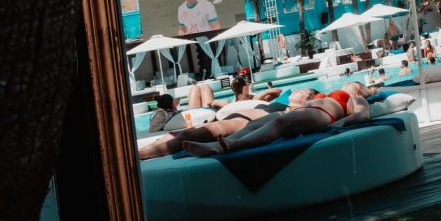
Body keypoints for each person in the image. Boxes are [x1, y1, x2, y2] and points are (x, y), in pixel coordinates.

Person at [183, 81, 371, 156]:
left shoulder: (354, 98)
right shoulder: (328, 94)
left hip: (322, 114)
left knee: (280, 123)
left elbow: (363, 114)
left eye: (352, 84)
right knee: (255, 123)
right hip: (305, 111)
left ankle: (233, 145)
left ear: (358, 91)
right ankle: (215, 145)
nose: (347, 83)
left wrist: (342, 122)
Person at [139, 87, 316, 159]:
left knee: (186, 134)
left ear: (308, 100)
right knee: (176, 134)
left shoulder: (294, 112)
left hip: (240, 122)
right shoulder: (280, 104)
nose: (297, 90)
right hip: (228, 118)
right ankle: (140, 152)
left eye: (303, 91)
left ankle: (140, 155)